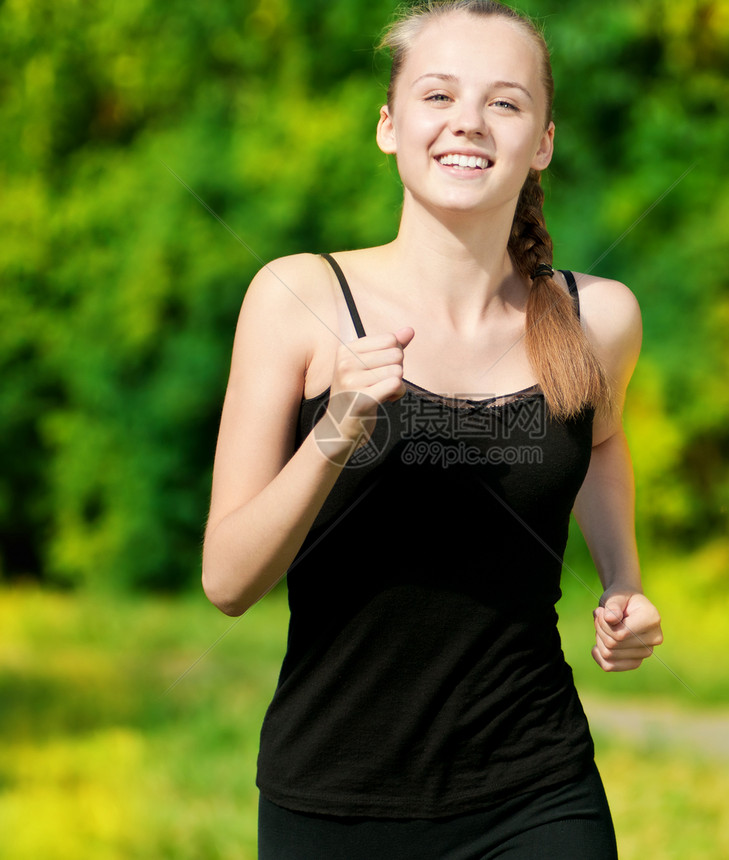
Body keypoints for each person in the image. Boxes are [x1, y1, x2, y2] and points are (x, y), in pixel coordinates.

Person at [202, 1, 663, 857]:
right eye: (439, 95)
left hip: (538, 791)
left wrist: (622, 581)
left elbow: (599, 441)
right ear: (389, 125)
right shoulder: (296, 299)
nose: (469, 124)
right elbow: (227, 582)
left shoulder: (598, 317)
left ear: (544, 143)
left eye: (505, 102)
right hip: (334, 804)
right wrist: (335, 431)